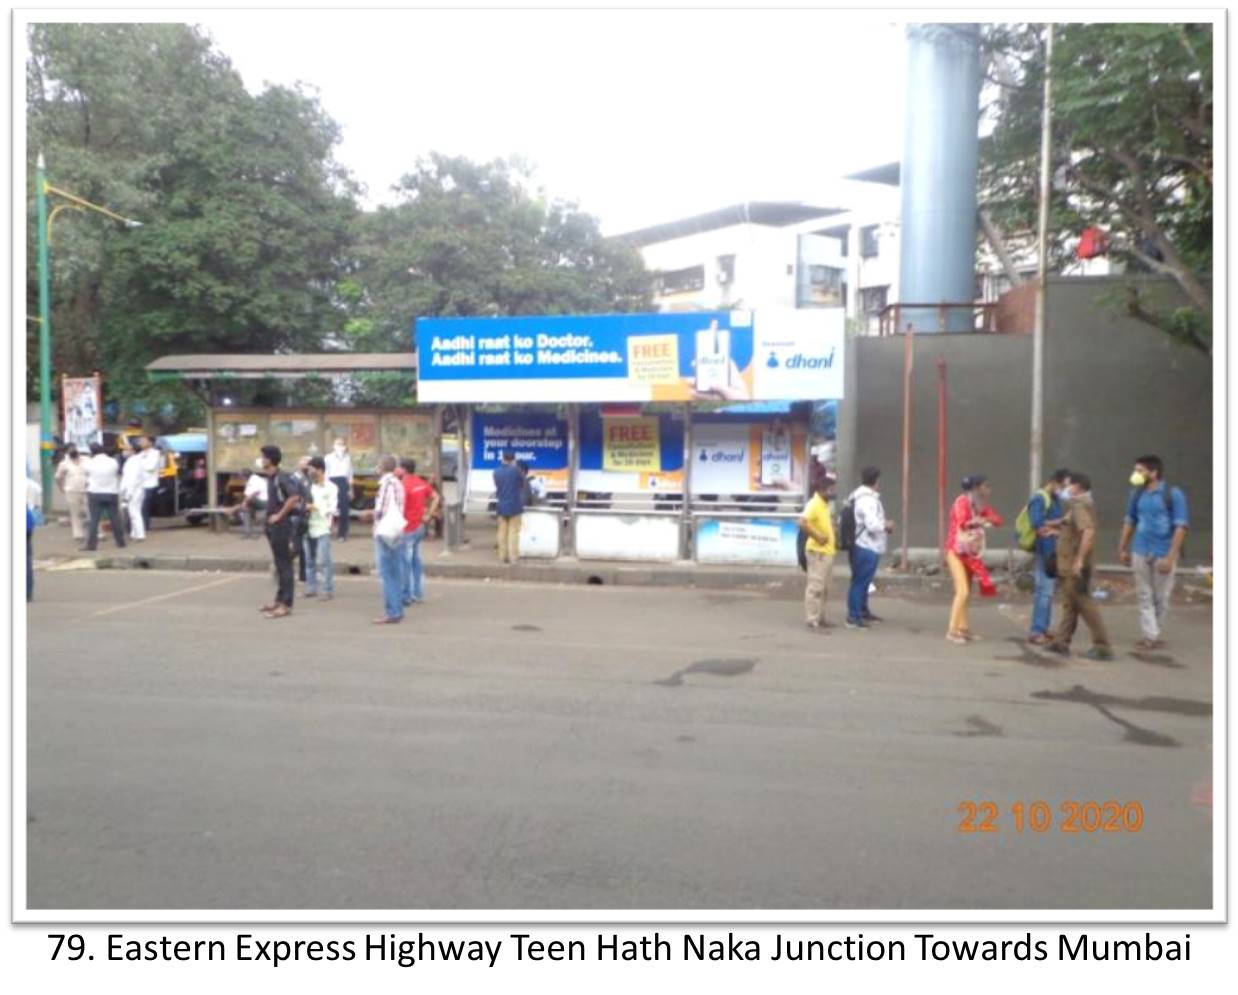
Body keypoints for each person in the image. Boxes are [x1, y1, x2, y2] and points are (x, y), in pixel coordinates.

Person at [1118, 455, 1190, 650]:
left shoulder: (1173, 494)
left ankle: (1153, 632)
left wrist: (1171, 557)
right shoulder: (1136, 494)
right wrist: (1122, 548)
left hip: (1163, 552)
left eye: (1140, 470)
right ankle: (1150, 636)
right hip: (1140, 549)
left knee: (1161, 597)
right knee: (1144, 595)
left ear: (1153, 472)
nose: (1136, 474)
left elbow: (1181, 527)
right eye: (1136, 470)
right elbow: (1130, 521)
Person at [1048, 472, 1114, 659]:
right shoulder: (1078, 505)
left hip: (1074, 565)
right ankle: (1061, 642)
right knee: (1070, 604)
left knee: (1085, 603)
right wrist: (1053, 528)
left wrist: (1079, 560)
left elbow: (1088, 532)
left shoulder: (1080, 505)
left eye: (1068, 485)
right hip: (1068, 563)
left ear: (1078, 487)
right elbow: (1069, 525)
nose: (1065, 488)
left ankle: (1102, 646)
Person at [945, 475, 1005, 644]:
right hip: (955, 552)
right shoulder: (962, 502)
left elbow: (998, 520)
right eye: (985, 487)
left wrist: (985, 519)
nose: (988, 490)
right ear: (977, 488)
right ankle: (952, 631)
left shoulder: (979, 505)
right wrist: (976, 522)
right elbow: (962, 523)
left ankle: (963, 629)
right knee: (962, 591)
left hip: (969, 554)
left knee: (966, 593)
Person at [256, 445, 303, 619]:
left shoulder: (282, 477)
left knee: (285, 565)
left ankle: (286, 604)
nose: (261, 460)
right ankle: (279, 600)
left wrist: (279, 515)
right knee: (279, 564)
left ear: (270, 459)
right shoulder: (271, 477)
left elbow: (294, 497)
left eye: (263, 457)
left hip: (282, 526)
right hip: (272, 527)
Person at [845, 466, 893, 630]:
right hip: (866, 546)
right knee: (860, 582)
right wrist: (886, 525)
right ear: (876, 480)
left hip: (861, 544)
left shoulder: (856, 495)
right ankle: (854, 617)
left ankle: (862, 611)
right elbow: (872, 524)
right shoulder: (867, 500)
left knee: (863, 581)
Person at [1025, 469, 1069, 646]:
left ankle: (1043, 627)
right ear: (1054, 482)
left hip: (1052, 550)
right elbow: (1037, 523)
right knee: (1044, 591)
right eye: (1063, 486)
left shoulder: (1054, 499)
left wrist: (1055, 527)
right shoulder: (1040, 498)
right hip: (1044, 550)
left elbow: (1048, 526)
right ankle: (1037, 631)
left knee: (1048, 592)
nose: (1064, 490)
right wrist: (1060, 522)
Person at [397, 458, 440, 606]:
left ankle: (407, 595)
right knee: (416, 561)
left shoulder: (403, 485)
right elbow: (435, 497)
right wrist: (428, 514)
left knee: (405, 563)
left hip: (407, 527)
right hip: (420, 526)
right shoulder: (421, 483)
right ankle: (418, 593)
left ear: (403, 469)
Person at [369, 455, 406, 624]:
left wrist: (370, 516)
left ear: (382, 467)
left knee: (387, 574)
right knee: (396, 572)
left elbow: (381, 510)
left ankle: (392, 612)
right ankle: (398, 609)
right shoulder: (398, 483)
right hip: (397, 530)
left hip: (385, 531)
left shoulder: (386, 484)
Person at [799, 474, 838, 632]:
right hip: (817, 552)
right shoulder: (814, 504)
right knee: (815, 587)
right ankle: (812, 620)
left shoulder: (824, 505)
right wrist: (818, 536)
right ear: (822, 490)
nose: (833, 493)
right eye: (831, 490)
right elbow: (802, 522)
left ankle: (821, 617)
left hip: (827, 552)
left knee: (825, 588)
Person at [303, 456, 338, 601]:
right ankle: (311, 589)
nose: (309, 472)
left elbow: (332, 508)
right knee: (309, 560)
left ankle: (327, 590)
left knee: (324, 561)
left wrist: (315, 507)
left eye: (312, 469)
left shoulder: (331, 487)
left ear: (320, 470)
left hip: (323, 527)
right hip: (308, 526)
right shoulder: (308, 486)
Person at [84, 442, 126, 551]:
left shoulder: (89, 463)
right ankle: (120, 542)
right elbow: (116, 472)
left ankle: (91, 545)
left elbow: (86, 474)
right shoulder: (113, 462)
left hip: (95, 492)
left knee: (94, 519)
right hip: (111, 492)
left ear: (92, 452)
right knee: (115, 518)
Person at [493, 449, 525, 564]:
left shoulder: (496, 472)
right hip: (514, 505)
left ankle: (502, 556)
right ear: (513, 460)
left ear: (503, 458)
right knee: (513, 532)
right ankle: (513, 557)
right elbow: (521, 484)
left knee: (502, 532)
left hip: (501, 505)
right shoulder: (516, 471)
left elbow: (497, 486)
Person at [54, 445, 89, 546]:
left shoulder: (86, 460)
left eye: (73, 449)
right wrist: (61, 488)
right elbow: (58, 477)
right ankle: (78, 535)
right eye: (70, 450)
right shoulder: (64, 464)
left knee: (91, 512)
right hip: (71, 491)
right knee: (75, 514)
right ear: (67, 453)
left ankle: (96, 533)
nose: (72, 451)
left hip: (87, 490)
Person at [325, 437, 353, 541]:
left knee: (344, 509)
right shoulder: (328, 458)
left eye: (342, 444)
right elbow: (326, 472)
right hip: (331, 481)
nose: (340, 446)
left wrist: (350, 489)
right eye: (337, 444)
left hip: (343, 483)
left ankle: (342, 534)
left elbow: (350, 474)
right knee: (328, 508)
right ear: (333, 445)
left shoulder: (347, 458)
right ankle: (326, 531)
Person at [119, 439, 147, 541]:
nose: (125, 451)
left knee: (134, 513)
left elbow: (132, 479)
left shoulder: (133, 462)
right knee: (135, 512)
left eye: (127, 449)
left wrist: (127, 494)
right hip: (137, 490)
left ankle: (140, 534)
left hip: (134, 491)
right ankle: (135, 533)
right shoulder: (136, 460)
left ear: (133, 451)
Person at [137, 435, 162, 531]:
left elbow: (150, 467)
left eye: (143, 440)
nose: (141, 443)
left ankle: (145, 526)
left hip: (150, 483)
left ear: (150, 443)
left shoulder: (155, 453)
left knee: (145, 505)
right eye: (140, 441)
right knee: (140, 505)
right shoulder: (140, 454)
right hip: (140, 483)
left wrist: (141, 464)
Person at [238, 468, 268, 539]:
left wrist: (243, 504)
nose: (241, 478)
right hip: (262, 501)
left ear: (244, 476)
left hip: (263, 502)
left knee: (246, 507)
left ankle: (248, 532)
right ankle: (248, 530)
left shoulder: (253, 480)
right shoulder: (254, 479)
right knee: (246, 508)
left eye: (241, 476)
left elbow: (252, 494)